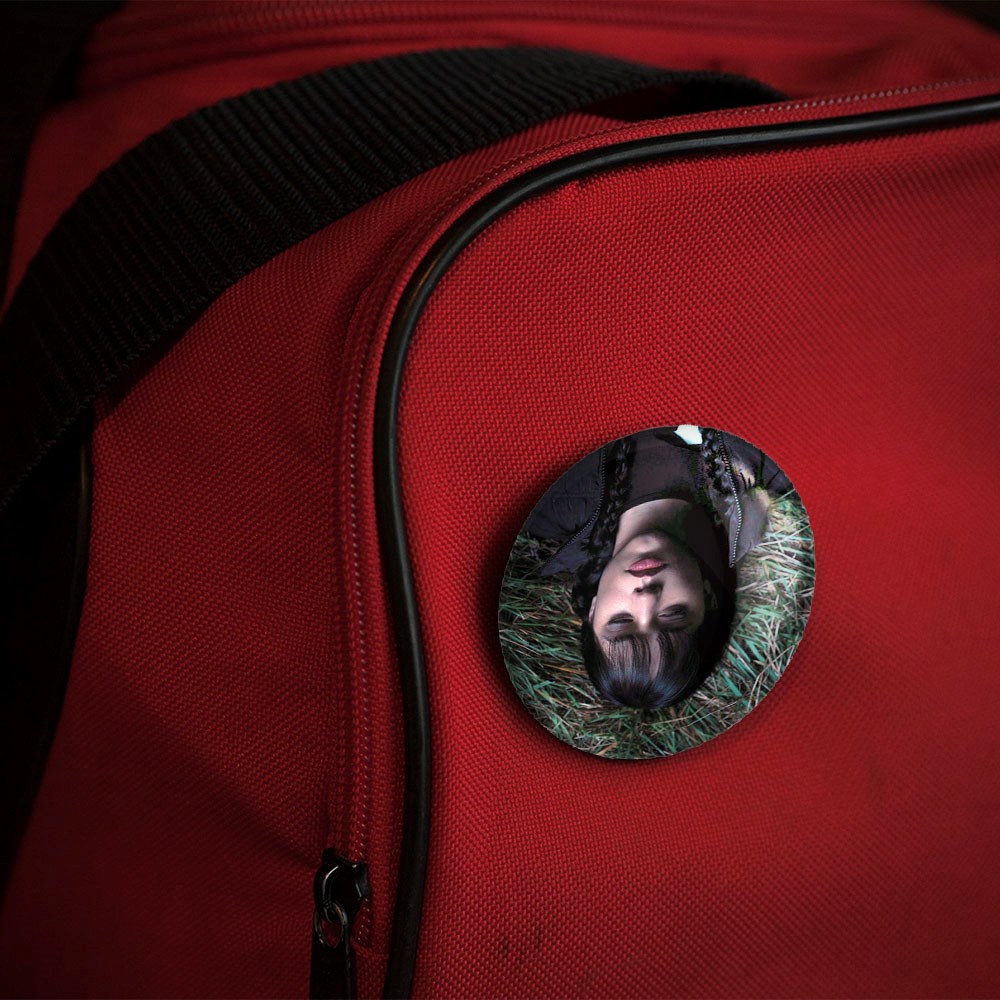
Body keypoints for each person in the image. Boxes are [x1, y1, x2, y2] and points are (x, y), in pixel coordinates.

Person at [523, 426, 790, 710]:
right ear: (709, 597)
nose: (647, 598)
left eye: (621, 620)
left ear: (593, 610)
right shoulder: (765, 475)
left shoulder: (548, 505)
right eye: (674, 614)